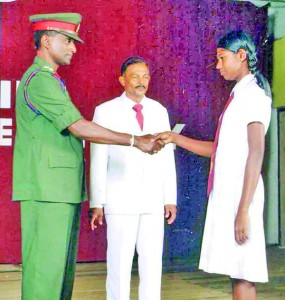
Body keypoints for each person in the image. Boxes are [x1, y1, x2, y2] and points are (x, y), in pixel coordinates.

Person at [13, 14, 162, 300]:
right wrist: (134, 140)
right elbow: (78, 126)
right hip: (47, 190)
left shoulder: (51, 80)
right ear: (46, 40)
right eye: (68, 40)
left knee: (58, 276)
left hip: (58, 189)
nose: (73, 48)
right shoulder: (39, 80)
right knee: (45, 276)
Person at [156, 30, 271, 300]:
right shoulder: (238, 97)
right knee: (236, 269)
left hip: (242, 195)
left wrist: (243, 210)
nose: (217, 65)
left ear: (241, 56)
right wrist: (175, 138)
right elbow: (219, 151)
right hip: (231, 193)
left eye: (222, 58)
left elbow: (256, 153)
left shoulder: (254, 96)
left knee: (244, 270)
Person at [89, 56, 177, 300]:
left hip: (152, 200)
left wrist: (170, 198)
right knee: (118, 265)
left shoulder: (159, 110)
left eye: (146, 76)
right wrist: (98, 201)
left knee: (152, 265)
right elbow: (98, 158)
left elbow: (166, 156)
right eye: (136, 76)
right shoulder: (105, 111)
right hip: (120, 200)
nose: (142, 82)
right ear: (122, 80)